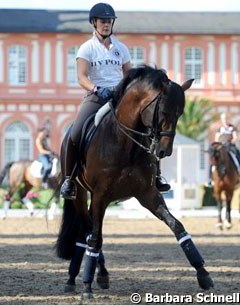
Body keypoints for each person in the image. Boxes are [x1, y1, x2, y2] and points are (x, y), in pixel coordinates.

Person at [60, 3, 170, 199]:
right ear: (94, 23)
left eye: (109, 22)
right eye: (103, 22)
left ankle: (157, 176)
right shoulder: (87, 48)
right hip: (96, 97)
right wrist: (96, 89)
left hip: (120, 98)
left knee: (149, 129)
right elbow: (81, 77)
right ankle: (69, 180)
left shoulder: (121, 48)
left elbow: (128, 75)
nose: (106, 25)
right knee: (75, 132)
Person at [208, 112, 240, 185]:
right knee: (213, 159)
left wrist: (230, 142)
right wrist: (218, 144)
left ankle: (238, 170)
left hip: (230, 146)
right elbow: (216, 139)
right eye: (223, 119)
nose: (225, 120)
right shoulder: (220, 129)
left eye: (226, 119)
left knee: (237, 155)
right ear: (221, 120)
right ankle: (210, 178)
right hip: (221, 147)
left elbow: (235, 138)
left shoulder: (232, 128)